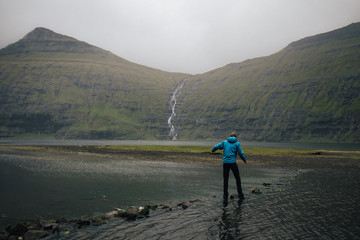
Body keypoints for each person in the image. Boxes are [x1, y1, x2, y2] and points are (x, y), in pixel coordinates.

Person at [211, 132, 246, 201]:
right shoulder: (237, 143)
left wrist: (213, 150)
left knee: (225, 179)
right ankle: (240, 194)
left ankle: (225, 195)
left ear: (230, 136)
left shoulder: (225, 142)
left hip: (226, 163)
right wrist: (244, 160)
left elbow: (216, 147)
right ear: (236, 137)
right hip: (233, 163)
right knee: (237, 178)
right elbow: (241, 153)